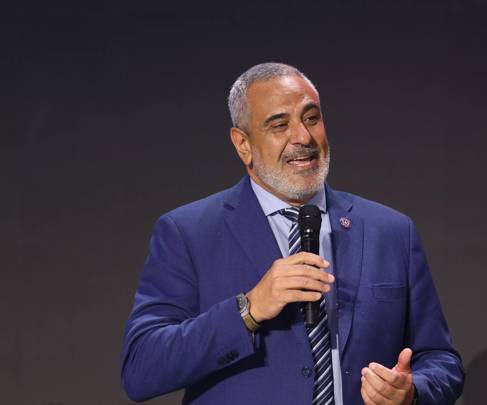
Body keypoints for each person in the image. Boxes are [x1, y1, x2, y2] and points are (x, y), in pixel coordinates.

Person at [121, 62, 464, 405]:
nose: (303, 137)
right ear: (243, 144)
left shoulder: (390, 232)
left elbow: (441, 362)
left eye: (312, 118)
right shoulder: (188, 233)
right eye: (280, 124)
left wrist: (413, 392)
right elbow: (142, 368)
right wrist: (248, 309)